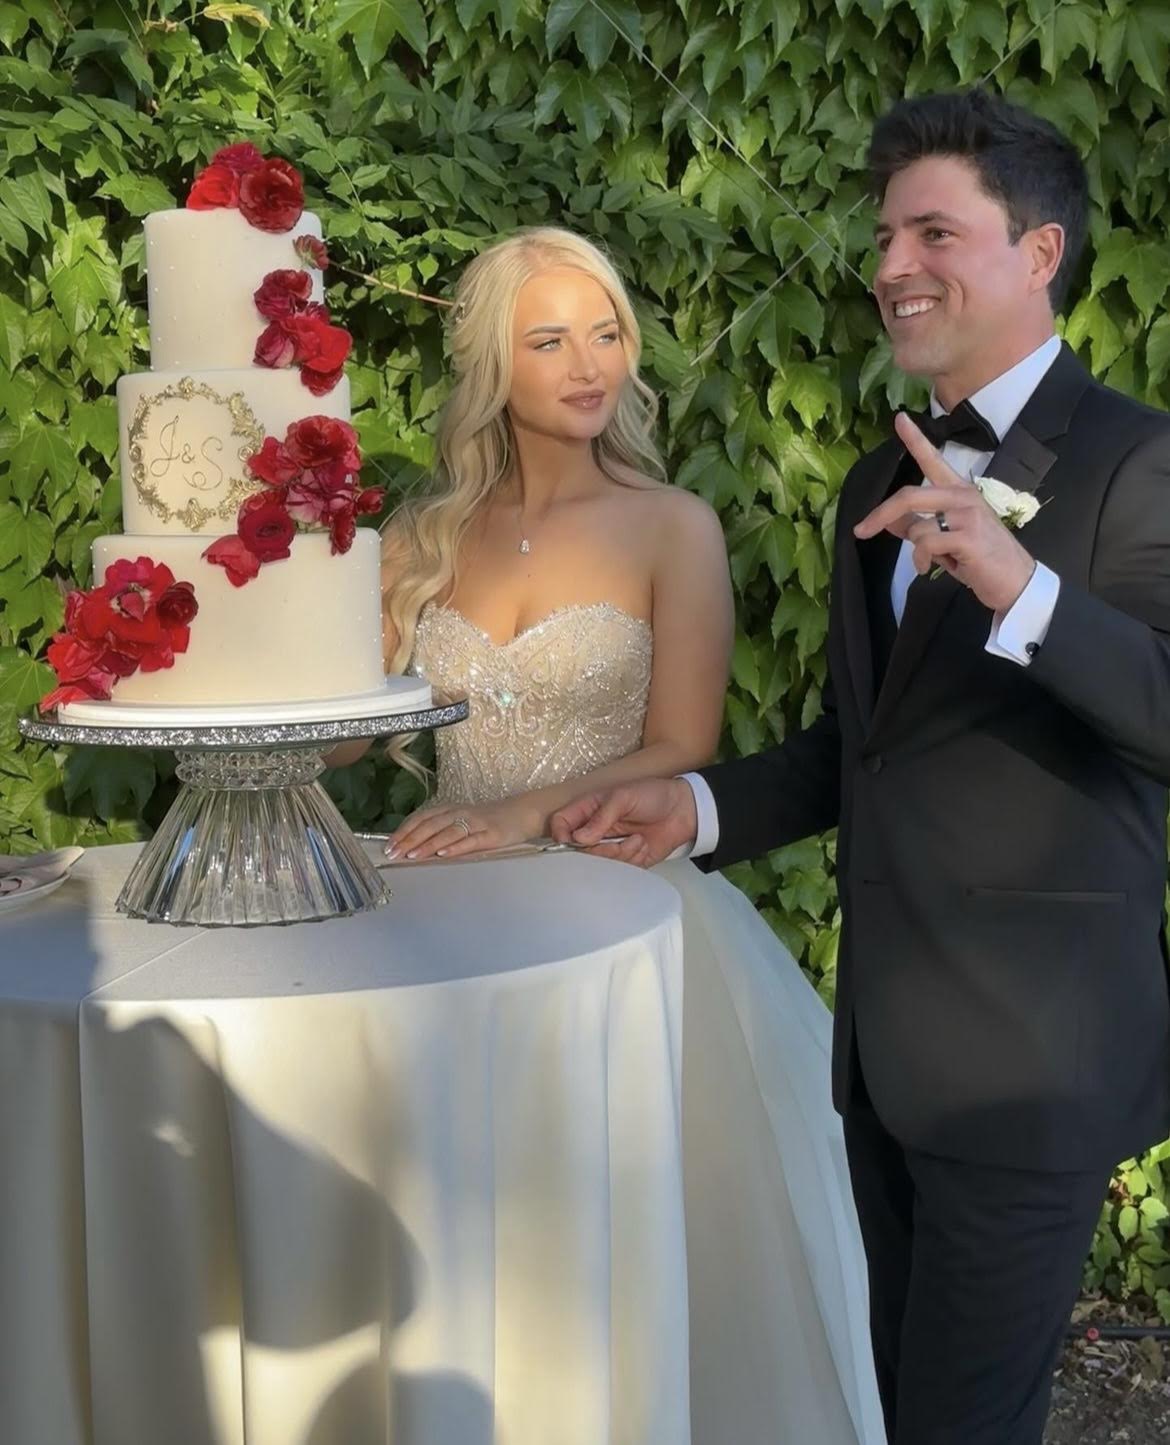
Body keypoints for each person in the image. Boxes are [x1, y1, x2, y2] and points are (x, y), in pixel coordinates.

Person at [552, 89, 1170, 1445]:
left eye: (932, 231)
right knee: (889, 1407)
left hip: (1032, 1060)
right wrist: (694, 804)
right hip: (882, 1057)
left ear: (1039, 253)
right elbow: (860, 753)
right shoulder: (863, 487)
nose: (891, 266)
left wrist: (1019, 583)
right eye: (885, 234)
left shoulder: (1138, 462)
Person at [374, 227, 887, 1442]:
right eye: (549, 339)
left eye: (605, 331)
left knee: (623, 1220)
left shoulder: (672, 525)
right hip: (442, 913)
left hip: (618, 895)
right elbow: (348, 727)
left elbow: (681, 743)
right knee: (458, 1217)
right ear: (493, 359)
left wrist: (518, 814)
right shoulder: (420, 537)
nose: (588, 362)